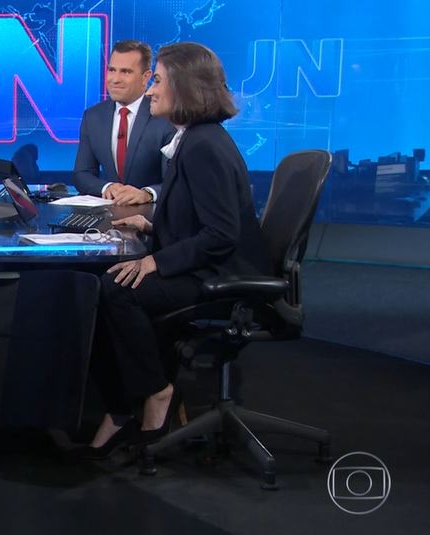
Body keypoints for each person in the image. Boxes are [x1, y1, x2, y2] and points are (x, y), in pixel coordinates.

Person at [78, 42, 271, 458]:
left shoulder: (204, 146)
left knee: (115, 289)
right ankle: (123, 406)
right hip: (208, 267)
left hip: (222, 278)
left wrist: (154, 259)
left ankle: (155, 393)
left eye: (158, 82)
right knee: (110, 283)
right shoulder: (194, 138)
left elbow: (221, 235)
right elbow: (197, 218)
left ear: (183, 87)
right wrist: (151, 225)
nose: (150, 91)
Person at [72, 40, 175, 205]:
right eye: (112, 70)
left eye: (126, 72)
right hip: (109, 216)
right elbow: (81, 174)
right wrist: (107, 187)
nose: (115, 79)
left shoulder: (165, 117)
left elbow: (176, 182)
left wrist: (147, 194)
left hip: (153, 217)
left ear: (146, 77)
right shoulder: (93, 116)